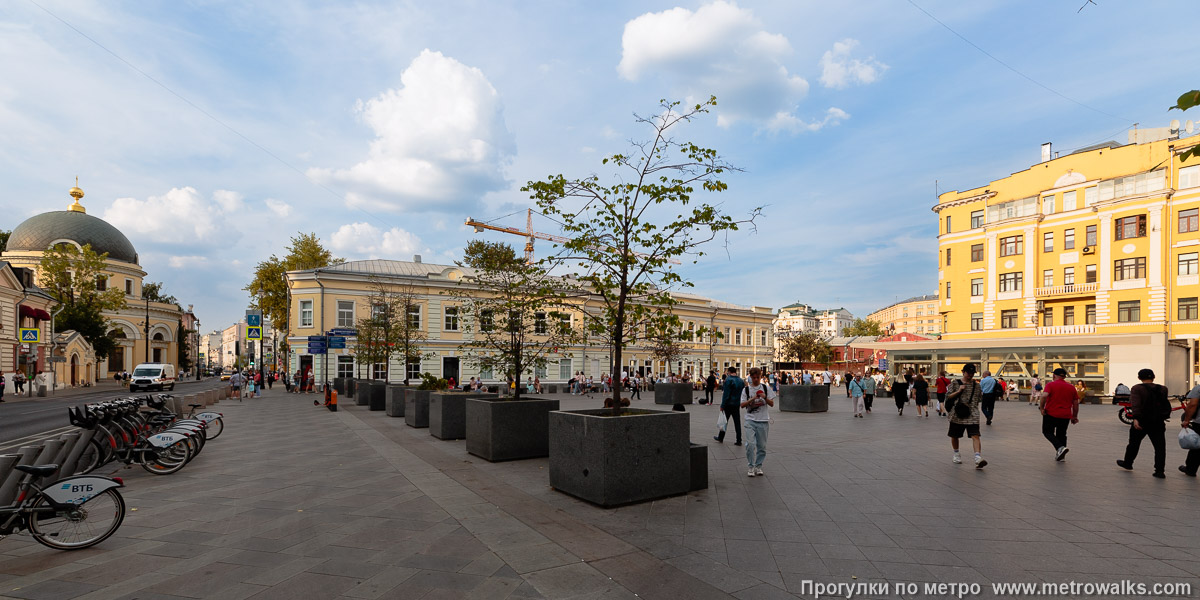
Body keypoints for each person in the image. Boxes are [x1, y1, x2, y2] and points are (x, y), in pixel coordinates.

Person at [1116, 368, 1169, 478]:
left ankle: (1128, 463)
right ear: (1153, 377)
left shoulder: (1137, 388)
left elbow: (1135, 404)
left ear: (1139, 378)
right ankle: (1159, 471)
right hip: (1158, 421)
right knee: (1160, 446)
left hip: (1142, 421)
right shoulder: (1163, 389)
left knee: (1134, 443)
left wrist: (1135, 418)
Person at [945, 363, 986, 468]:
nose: (970, 375)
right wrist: (959, 391)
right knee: (955, 435)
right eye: (968, 373)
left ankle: (978, 458)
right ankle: (956, 454)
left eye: (973, 373)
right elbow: (948, 397)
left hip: (972, 414)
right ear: (963, 372)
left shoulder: (977, 385)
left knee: (975, 435)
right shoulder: (955, 383)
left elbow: (979, 398)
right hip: (957, 414)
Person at [741, 367, 776, 476]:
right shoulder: (746, 390)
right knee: (750, 444)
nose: (756, 379)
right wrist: (752, 399)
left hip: (763, 420)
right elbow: (742, 405)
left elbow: (772, 404)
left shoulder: (766, 388)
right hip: (750, 420)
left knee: (762, 446)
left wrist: (764, 398)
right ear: (750, 377)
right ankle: (751, 466)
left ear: (761, 377)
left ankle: (758, 466)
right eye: (754, 377)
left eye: (758, 377)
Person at [1039, 367, 1079, 462]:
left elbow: (1044, 396)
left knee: (1047, 432)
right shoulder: (1071, 387)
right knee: (1061, 434)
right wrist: (1074, 416)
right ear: (1064, 376)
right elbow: (1076, 403)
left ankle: (1060, 447)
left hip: (1051, 413)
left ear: (1054, 376)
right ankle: (1061, 456)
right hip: (1065, 415)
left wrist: (1041, 408)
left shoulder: (1050, 385)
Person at [714, 367, 746, 445]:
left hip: (728, 404)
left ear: (729, 372)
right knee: (737, 422)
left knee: (724, 421)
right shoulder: (741, 381)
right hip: (736, 404)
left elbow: (726, 394)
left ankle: (721, 437)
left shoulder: (728, 380)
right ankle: (739, 440)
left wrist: (722, 405)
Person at [1179, 384, 1200, 476]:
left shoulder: (1198, 388)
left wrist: (1186, 420)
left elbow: (1193, 404)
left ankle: (1191, 469)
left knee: (1197, 448)